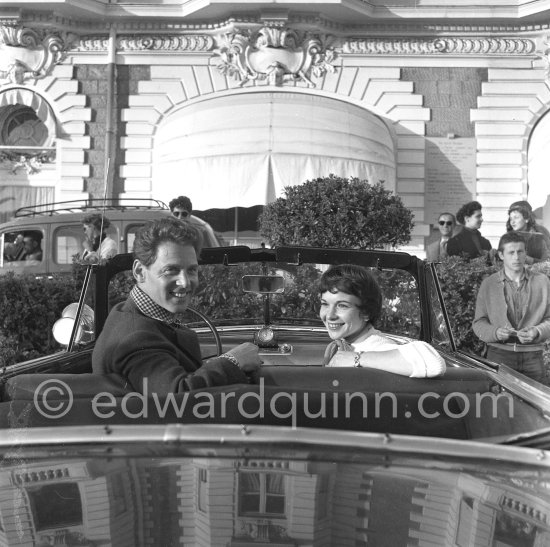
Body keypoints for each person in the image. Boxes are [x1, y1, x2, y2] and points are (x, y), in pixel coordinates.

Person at [92, 217, 261, 394]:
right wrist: (232, 361)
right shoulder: (136, 338)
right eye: (171, 270)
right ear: (140, 272)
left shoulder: (130, 314)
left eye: (191, 270)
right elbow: (176, 396)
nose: (185, 282)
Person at [319, 264, 446, 377]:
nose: (330, 315)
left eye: (342, 306)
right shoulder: (342, 345)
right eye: (325, 304)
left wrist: (357, 359)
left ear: (366, 312)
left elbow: (433, 363)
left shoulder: (376, 346)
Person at [473, 231, 550, 383]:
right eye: (511, 252)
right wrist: (495, 332)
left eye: (520, 251)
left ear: (525, 253)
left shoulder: (542, 282)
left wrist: (537, 331)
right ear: (501, 255)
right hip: (499, 356)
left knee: (535, 406)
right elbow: (478, 323)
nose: (516, 257)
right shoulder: (489, 284)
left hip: (533, 357)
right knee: (500, 405)